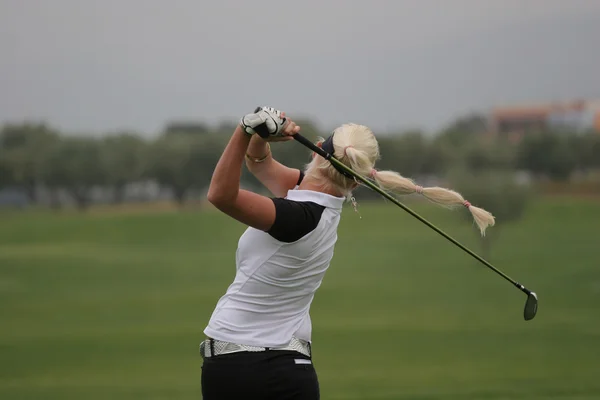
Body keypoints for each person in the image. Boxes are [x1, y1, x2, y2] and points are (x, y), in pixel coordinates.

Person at [200, 106, 495, 399]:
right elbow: (259, 163)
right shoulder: (314, 202)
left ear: (317, 149)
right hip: (282, 370)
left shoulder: (298, 216)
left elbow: (220, 195)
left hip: (245, 370)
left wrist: (244, 129)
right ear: (356, 180)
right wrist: (261, 136)